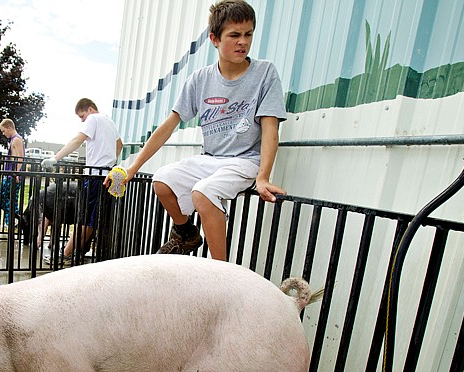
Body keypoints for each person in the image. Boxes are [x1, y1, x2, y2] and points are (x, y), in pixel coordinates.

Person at [105, 0, 287, 261]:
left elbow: (271, 128)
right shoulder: (200, 79)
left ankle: (220, 272)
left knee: (204, 192)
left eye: (248, 34)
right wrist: (131, 168)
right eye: (234, 35)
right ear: (214, 38)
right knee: (162, 179)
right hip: (211, 159)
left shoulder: (264, 72)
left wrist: (263, 177)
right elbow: (167, 127)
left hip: (246, 160)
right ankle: (186, 233)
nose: (242, 42)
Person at [45, 98, 123, 266]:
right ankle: (73, 254)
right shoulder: (109, 121)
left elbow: (77, 140)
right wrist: (110, 162)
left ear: (89, 109)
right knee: (92, 220)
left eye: (82, 116)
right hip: (106, 176)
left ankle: (65, 255)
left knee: (85, 219)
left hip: (94, 176)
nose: (82, 120)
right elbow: (120, 144)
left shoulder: (94, 119)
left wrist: (55, 158)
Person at [0, 118, 25, 228]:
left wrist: (17, 174)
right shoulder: (13, 140)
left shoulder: (17, 140)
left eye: (4, 131)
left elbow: (21, 158)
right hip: (10, 174)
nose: (3, 134)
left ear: (10, 127)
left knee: (10, 198)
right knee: (7, 198)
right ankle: (12, 220)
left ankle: (13, 221)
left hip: (13, 175)